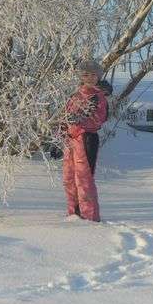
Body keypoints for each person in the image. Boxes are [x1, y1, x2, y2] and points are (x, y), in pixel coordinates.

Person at [60, 60, 108, 222]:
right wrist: (58, 137)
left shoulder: (98, 96)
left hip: (86, 138)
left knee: (84, 179)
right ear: (80, 76)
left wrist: (80, 120)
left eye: (93, 75)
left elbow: (99, 119)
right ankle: (73, 213)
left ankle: (89, 216)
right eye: (86, 74)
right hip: (70, 140)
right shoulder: (75, 95)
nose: (89, 78)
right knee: (69, 178)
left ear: (98, 76)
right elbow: (64, 117)